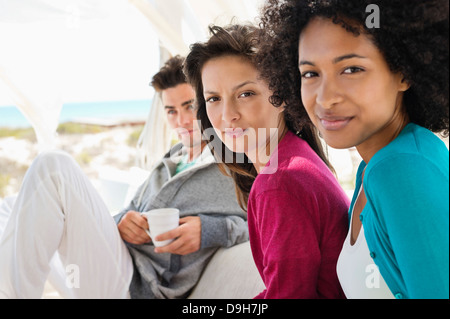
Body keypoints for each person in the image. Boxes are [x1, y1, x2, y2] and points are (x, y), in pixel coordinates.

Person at [0, 55, 247, 299]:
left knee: (52, 166)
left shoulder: (231, 164)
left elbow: (267, 222)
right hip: (107, 267)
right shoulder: (168, 162)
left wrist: (211, 230)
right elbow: (127, 212)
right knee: (9, 207)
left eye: (189, 106)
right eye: (171, 111)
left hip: (138, 285)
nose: (181, 121)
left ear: (206, 104)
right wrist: (122, 221)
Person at [258, 0, 449, 299]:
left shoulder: (400, 169)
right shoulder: (370, 169)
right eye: (310, 73)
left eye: (351, 69)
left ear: (404, 72)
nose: (325, 98)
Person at [185, 24, 349, 299]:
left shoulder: (279, 183)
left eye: (245, 94)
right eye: (213, 98)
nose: (227, 115)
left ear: (282, 96)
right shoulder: (296, 157)